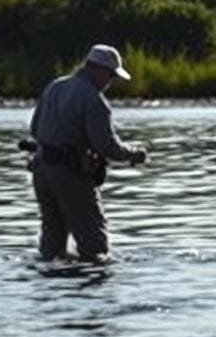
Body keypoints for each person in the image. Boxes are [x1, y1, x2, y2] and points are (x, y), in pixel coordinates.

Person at [28, 43, 147, 261]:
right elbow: (106, 146)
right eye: (111, 75)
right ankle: (91, 289)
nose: (111, 82)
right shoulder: (93, 100)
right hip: (69, 173)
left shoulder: (55, 86)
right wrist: (133, 153)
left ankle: (51, 289)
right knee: (94, 243)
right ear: (98, 69)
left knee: (52, 240)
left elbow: (35, 130)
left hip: (41, 170)